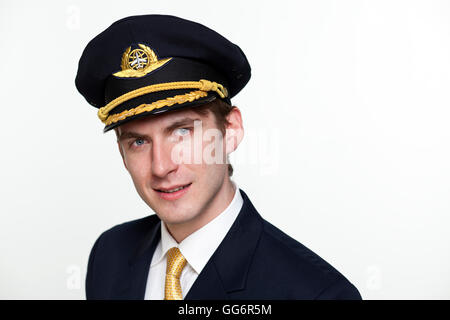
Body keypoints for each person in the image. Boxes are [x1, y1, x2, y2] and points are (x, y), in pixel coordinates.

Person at [75, 14, 362, 300]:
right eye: (138, 141)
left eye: (182, 132)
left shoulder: (316, 294)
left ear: (231, 129)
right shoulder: (109, 256)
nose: (161, 166)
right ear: (122, 153)